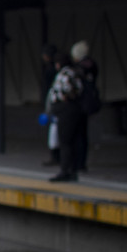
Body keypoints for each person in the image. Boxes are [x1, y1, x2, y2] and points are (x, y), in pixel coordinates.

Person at [46, 50, 84, 182]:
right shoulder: (75, 72)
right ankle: (73, 170)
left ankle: (65, 171)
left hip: (66, 111)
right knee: (73, 141)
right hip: (73, 110)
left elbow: (67, 90)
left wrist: (62, 99)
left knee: (65, 142)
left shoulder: (65, 74)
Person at [71, 40, 99, 172]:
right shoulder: (92, 65)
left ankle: (77, 163)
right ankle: (82, 163)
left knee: (77, 134)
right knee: (83, 134)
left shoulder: (78, 68)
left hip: (78, 104)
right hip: (88, 103)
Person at [40, 44, 61, 167]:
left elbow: (50, 90)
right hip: (54, 105)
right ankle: (57, 156)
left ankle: (56, 157)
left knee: (54, 132)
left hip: (54, 105)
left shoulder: (51, 71)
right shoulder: (54, 69)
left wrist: (47, 107)